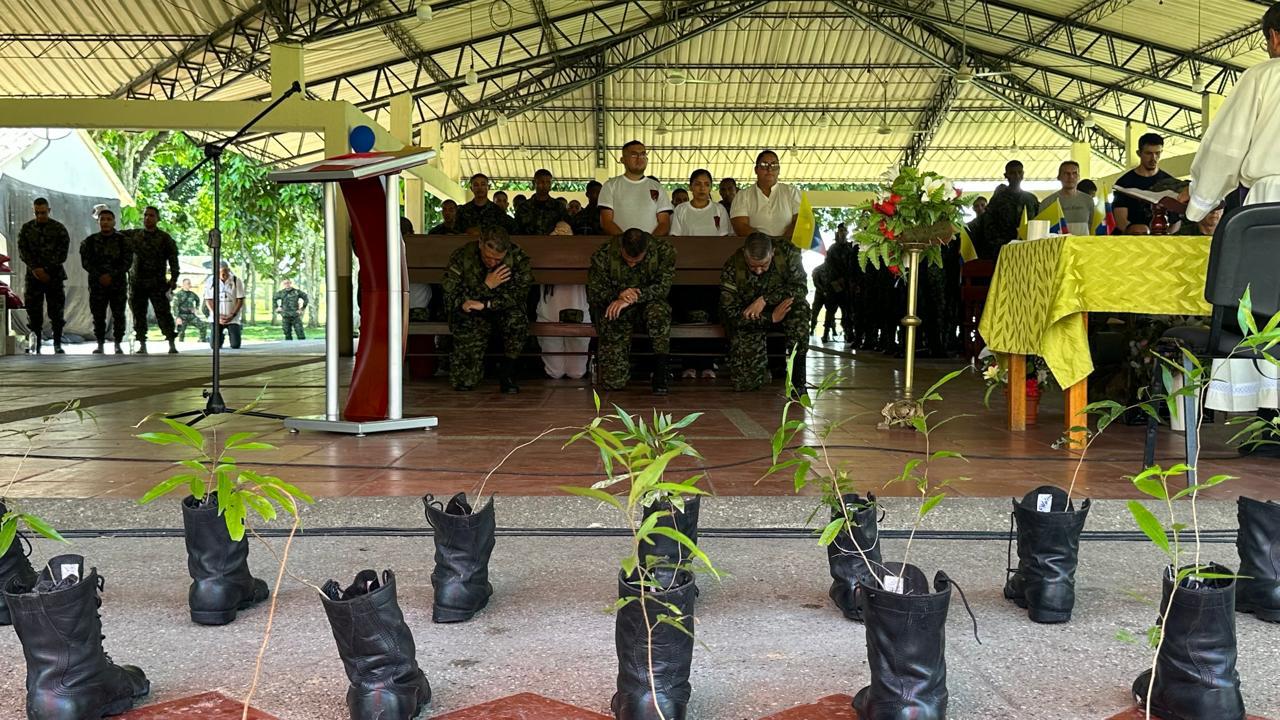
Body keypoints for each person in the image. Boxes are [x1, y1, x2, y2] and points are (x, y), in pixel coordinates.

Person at [1183, 5, 1280, 221]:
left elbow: (1226, 146)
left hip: (1271, 201)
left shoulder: (1263, 75)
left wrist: (1199, 200)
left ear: (1274, 37)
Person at [442, 227, 532, 393]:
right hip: (471, 312)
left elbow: (519, 295)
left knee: (517, 320)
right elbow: (451, 296)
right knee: (464, 383)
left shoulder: (518, 258)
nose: (492, 263)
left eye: (498, 260)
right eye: (488, 257)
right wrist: (486, 286)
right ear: (480, 244)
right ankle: (469, 371)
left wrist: (488, 304)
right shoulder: (462, 257)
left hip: (501, 308)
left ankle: (508, 374)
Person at [587, 228, 675, 394]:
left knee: (659, 312)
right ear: (621, 248)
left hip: (648, 303)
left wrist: (633, 297)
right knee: (613, 383)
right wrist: (618, 295)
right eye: (628, 260)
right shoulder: (604, 254)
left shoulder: (664, 251)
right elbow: (595, 290)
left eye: (637, 260)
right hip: (615, 305)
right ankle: (618, 373)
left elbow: (663, 288)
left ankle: (660, 372)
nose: (632, 264)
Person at [720, 233, 810, 393]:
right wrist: (770, 317)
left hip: (784, 310)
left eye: (764, 264)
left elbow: (800, 288)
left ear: (772, 252)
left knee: (800, 309)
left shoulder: (788, 253)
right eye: (753, 266)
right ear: (744, 254)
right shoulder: (732, 266)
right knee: (746, 385)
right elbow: (731, 313)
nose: (759, 271)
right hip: (753, 320)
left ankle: (798, 381)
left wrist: (765, 299)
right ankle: (762, 373)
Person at [670, 169, 731, 379]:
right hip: (687, 272)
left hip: (713, 273)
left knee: (710, 317)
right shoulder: (681, 210)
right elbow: (676, 239)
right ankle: (687, 363)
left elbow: (723, 240)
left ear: (711, 187)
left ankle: (708, 363)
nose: (702, 188)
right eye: (697, 184)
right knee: (688, 317)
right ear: (691, 186)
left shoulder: (719, 210)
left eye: (706, 184)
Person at [536, 221, 592, 380]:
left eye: (566, 232)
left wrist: (569, 242)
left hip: (578, 317)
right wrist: (553, 242)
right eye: (557, 231)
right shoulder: (543, 253)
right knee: (555, 373)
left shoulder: (582, 253)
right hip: (549, 316)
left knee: (576, 373)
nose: (561, 235)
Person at [18, 197, 70, 354]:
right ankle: (36, 343)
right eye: (37, 212)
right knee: (34, 311)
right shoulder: (27, 229)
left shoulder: (59, 229)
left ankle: (57, 344)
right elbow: (23, 251)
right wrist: (36, 269)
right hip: (34, 277)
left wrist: (46, 269)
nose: (40, 215)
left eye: (43, 212)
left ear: (49, 210)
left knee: (57, 312)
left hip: (53, 276)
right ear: (33, 211)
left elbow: (62, 253)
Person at [125, 206, 180, 354]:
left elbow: (173, 259)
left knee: (163, 313)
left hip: (157, 283)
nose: (147, 218)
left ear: (157, 219)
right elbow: (114, 235)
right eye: (145, 215)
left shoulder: (164, 238)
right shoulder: (134, 235)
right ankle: (142, 344)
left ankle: (171, 343)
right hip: (137, 283)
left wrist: (174, 278)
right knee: (138, 314)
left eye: (151, 215)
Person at [79, 208, 132, 354]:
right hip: (97, 284)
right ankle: (100, 343)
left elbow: (127, 262)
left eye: (109, 219)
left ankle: (118, 343)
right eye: (103, 219)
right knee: (98, 315)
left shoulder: (123, 241)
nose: (106, 222)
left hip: (117, 284)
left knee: (118, 314)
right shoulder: (89, 242)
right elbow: (86, 262)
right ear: (98, 222)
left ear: (114, 221)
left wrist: (112, 275)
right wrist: (100, 275)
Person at [599, 141, 673, 236]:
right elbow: (606, 222)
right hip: (621, 247)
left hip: (650, 247)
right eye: (634, 155)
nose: (639, 158)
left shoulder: (657, 187)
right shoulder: (610, 186)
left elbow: (664, 223)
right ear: (622, 160)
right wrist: (627, 243)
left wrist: (648, 243)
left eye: (643, 155)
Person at [971, 161, 1040, 259]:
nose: (1016, 176)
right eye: (1012, 173)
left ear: (1023, 174)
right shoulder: (997, 200)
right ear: (1006, 175)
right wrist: (1000, 245)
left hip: (1029, 249)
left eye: (1019, 172)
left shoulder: (1031, 199)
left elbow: (1038, 221)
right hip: (1004, 251)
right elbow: (989, 227)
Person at [731, 150, 801, 238]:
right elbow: (740, 226)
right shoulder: (743, 195)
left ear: (779, 170)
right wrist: (765, 244)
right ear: (756, 170)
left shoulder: (791, 192)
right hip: (756, 248)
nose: (769, 169)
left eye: (774, 165)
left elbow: (800, 222)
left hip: (787, 248)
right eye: (764, 165)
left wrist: (782, 243)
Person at [1113, 133, 1175, 232]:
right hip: (1132, 240)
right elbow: (1121, 221)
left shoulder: (1170, 183)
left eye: (1157, 153)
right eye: (1148, 153)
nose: (1153, 158)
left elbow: (1175, 221)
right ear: (1139, 153)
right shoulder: (1124, 183)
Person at [1042, 161, 1096, 235]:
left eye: (1074, 173)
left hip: (1083, 245)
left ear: (1079, 177)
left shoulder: (1088, 201)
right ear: (1059, 177)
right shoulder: (1047, 203)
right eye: (1066, 174)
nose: (1071, 177)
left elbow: (1093, 226)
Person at [515, 169, 571, 235]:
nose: (545, 185)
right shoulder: (524, 207)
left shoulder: (559, 207)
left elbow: (566, 230)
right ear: (534, 183)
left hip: (552, 243)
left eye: (548, 182)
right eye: (541, 182)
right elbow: (517, 230)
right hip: (528, 243)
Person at [205, 260, 246, 350]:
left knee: (235, 345)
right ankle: (219, 336)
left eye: (226, 272)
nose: (224, 276)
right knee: (214, 346)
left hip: (232, 317)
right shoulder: (210, 281)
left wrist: (232, 315)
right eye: (221, 273)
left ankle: (233, 333)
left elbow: (240, 299)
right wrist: (217, 315)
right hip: (217, 317)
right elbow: (208, 300)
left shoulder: (236, 280)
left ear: (228, 270)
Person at [172, 277, 207, 343]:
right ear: (183, 285)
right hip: (182, 316)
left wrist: (196, 308)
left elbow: (198, 300)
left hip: (191, 316)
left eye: (190, 283)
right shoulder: (178, 294)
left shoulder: (192, 294)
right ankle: (180, 344)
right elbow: (175, 306)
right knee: (181, 332)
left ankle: (202, 340)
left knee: (203, 325)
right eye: (188, 283)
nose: (189, 285)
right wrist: (177, 317)